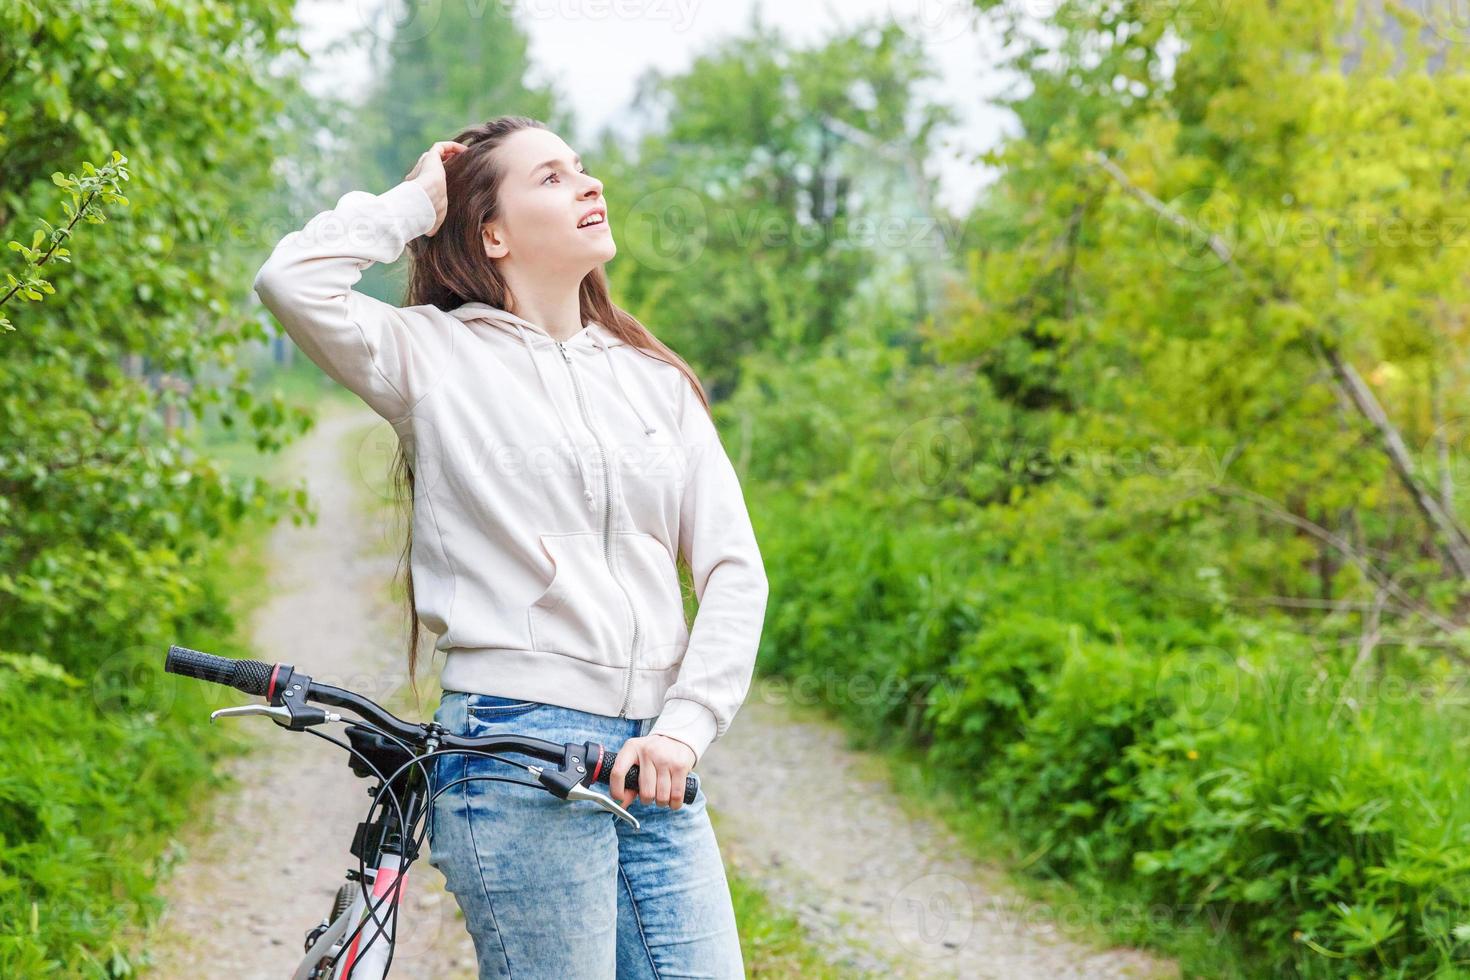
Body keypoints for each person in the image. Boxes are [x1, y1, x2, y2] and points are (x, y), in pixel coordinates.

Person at [250, 115, 767, 978]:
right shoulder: (430, 358)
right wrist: (413, 203)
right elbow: (291, 280)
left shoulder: (654, 380)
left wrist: (685, 727)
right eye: (553, 177)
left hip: (658, 763)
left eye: (584, 169)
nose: (589, 185)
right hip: (514, 751)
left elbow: (732, 571)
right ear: (491, 232)